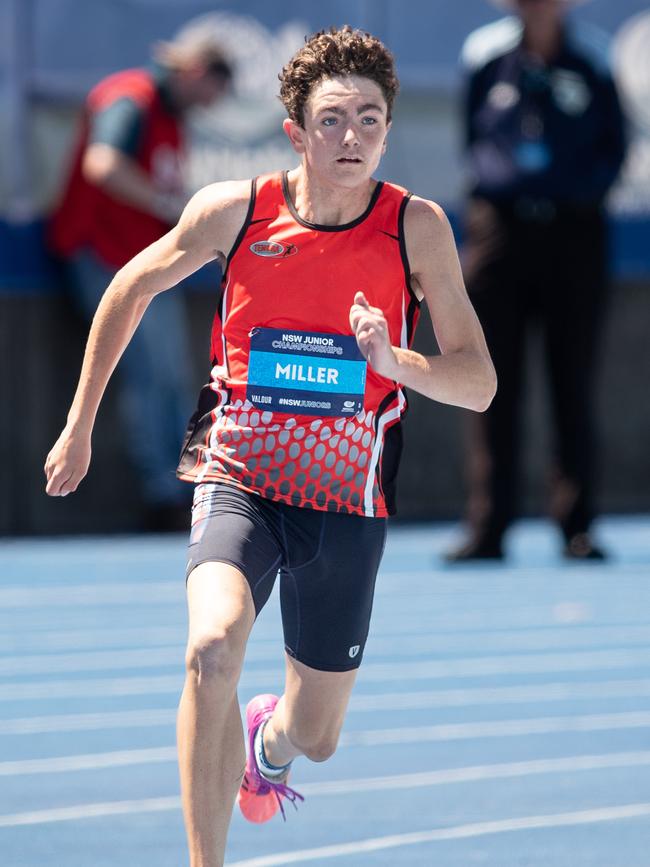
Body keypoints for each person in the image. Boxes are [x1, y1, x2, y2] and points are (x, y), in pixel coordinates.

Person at [44, 26, 496, 867]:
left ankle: (270, 745)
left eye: (370, 118)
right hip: (239, 474)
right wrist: (80, 424)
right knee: (210, 648)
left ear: (390, 130)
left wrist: (394, 361)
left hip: (345, 497)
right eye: (332, 119)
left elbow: (479, 381)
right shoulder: (235, 211)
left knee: (316, 735)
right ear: (295, 130)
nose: (352, 136)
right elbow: (130, 284)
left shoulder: (416, 229)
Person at [447, 0, 627, 562]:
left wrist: (572, 190)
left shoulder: (594, 57)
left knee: (572, 381)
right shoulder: (484, 53)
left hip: (575, 233)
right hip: (501, 232)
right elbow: (472, 136)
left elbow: (614, 145)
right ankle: (489, 525)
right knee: (490, 384)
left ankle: (577, 525)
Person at [48, 27, 233, 530]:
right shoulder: (130, 98)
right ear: (195, 71)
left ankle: (181, 484)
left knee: (170, 372)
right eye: (210, 89)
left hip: (142, 260)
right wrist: (166, 204)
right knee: (153, 372)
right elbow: (101, 163)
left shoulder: (171, 115)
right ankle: (163, 491)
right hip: (105, 254)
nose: (208, 104)